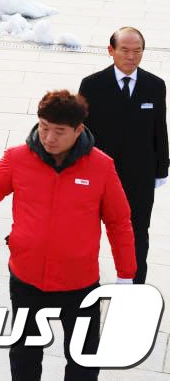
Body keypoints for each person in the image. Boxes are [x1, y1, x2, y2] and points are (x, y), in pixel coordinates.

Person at [0, 90, 135, 381]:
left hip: (79, 283)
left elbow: (119, 222)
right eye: (44, 127)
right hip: (27, 278)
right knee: (25, 352)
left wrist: (126, 275)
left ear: (78, 130)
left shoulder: (101, 166)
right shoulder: (18, 158)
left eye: (59, 131)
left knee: (84, 356)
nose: (49, 137)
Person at [78, 26, 168, 284]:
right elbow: (81, 130)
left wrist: (162, 168)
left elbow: (159, 128)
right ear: (111, 51)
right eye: (125, 50)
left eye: (137, 51)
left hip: (139, 175)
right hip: (99, 176)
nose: (131, 57)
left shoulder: (155, 85)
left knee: (138, 232)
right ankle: (83, 282)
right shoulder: (92, 85)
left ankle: (133, 285)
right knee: (87, 231)